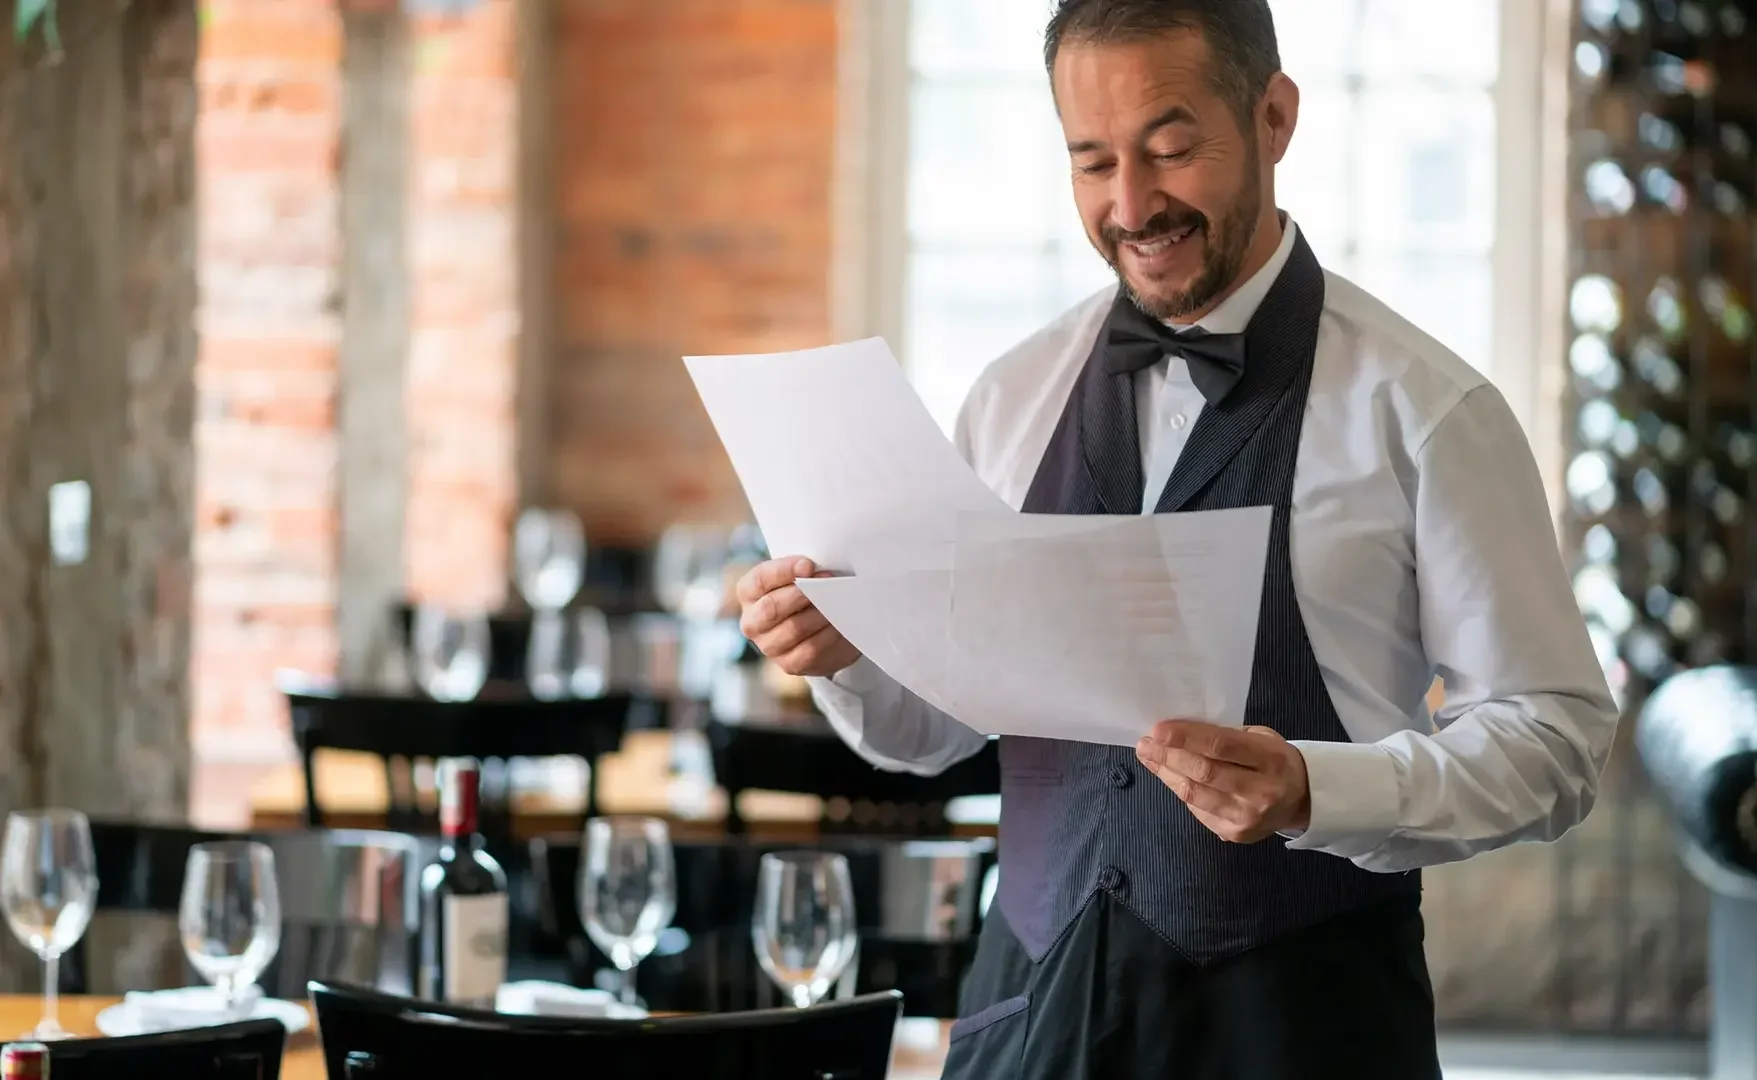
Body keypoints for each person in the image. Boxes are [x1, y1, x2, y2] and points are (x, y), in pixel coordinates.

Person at [735, 1, 1617, 1076]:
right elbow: (932, 733)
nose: (1130, 205)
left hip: (1301, 1031)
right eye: (1091, 162)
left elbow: (1554, 739)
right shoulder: (1011, 396)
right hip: (1031, 1015)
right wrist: (851, 654)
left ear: (1273, 117)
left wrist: (1316, 790)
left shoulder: (1426, 409)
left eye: (1168, 149)